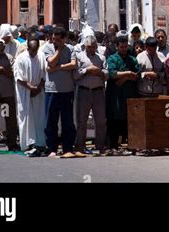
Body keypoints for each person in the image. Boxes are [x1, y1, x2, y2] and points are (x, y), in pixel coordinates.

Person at [43, 27, 77, 158]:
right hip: (52, 90)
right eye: (53, 39)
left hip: (67, 90)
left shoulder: (71, 49)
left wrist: (57, 68)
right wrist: (59, 50)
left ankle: (68, 147)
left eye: (58, 40)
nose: (55, 42)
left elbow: (73, 64)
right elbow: (50, 62)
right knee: (51, 121)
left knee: (67, 121)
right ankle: (52, 148)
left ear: (64, 39)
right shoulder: (47, 48)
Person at [73, 34, 108, 155]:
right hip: (84, 91)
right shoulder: (79, 57)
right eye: (89, 47)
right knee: (82, 121)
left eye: (94, 47)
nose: (92, 49)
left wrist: (99, 72)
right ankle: (80, 146)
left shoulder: (101, 58)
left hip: (98, 91)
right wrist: (87, 70)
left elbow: (107, 74)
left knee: (101, 121)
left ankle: (100, 145)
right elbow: (75, 75)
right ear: (85, 46)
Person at [105, 33, 139, 153]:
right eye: (121, 47)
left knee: (128, 120)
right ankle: (113, 145)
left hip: (128, 95)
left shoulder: (132, 59)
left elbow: (137, 75)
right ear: (117, 47)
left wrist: (125, 77)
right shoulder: (112, 58)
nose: (124, 49)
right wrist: (128, 73)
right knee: (114, 120)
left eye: (125, 47)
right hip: (115, 96)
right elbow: (112, 74)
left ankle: (130, 144)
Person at [14, 35, 46, 156]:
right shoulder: (21, 58)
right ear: (27, 48)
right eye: (31, 49)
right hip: (24, 92)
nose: (33, 52)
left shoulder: (41, 56)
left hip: (39, 91)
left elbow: (44, 74)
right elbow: (19, 78)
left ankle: (40, 143)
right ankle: (27, 144)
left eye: (35, 49)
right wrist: (30, 88)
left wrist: (38, 88)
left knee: (39, 117)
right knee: (26, 117)